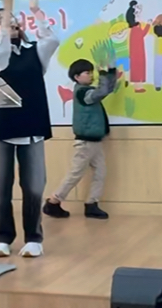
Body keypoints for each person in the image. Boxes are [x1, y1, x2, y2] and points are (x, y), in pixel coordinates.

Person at [0, 0, 58, 258]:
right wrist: (4, 21)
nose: (12, 23)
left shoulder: (35, 50)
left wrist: (35, 9)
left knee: (34, 186)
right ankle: (3, 237)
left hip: (32, 123)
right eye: (4, 21)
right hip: (2, 125)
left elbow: (52, 39)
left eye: (14, 19)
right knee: (1, 187)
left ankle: (34, 238)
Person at [43, 59, 117, 220]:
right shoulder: (83, 93)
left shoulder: (87, 90)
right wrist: (104, 73)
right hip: (85, 142)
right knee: (75, 173)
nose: (91, 75)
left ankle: (92, 204)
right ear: (77, 77)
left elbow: (107, 89)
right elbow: (102, 92)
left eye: (91, 72)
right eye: (87, 73)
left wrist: (110, 72)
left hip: (95, 141)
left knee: (100, 173)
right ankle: (53, 201)